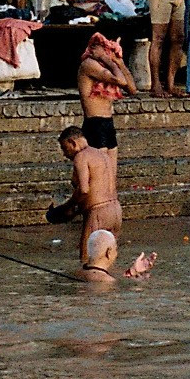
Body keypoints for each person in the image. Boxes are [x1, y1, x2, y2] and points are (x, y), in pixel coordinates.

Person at [48, 126, 120, 252]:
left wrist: (65, 208)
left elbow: (84, 190)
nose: (65, 154)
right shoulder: (102, 155)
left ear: (73, 142)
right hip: (116, 212)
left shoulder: (81, 156)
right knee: (107, 258)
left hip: (98, 213)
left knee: (87, 260)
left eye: (65, 148)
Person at [77, 29, 133, 159]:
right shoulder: (89, 64)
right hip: (95, 123)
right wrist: (105, 59)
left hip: (108, 123)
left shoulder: (110, 66)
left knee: (111, 175)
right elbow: (120, 80)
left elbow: (132, 89)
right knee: (100, 172)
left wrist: (119, 62)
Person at [75, 229, 155, 283]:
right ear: (108, 252)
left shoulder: (75, 273)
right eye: (115, 249)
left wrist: (132, 272)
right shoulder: (107, 281)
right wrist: (140, 283)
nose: (116, 253)